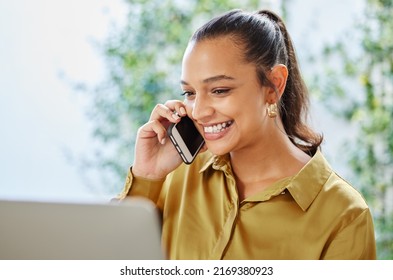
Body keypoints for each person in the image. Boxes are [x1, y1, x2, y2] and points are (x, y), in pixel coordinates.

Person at [116, 9, 377, 259]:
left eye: (219, 90)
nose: (199, 111)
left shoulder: (343, 215)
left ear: (274, 85)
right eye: (190, 93)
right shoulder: (176, 174)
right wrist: (146, 178)